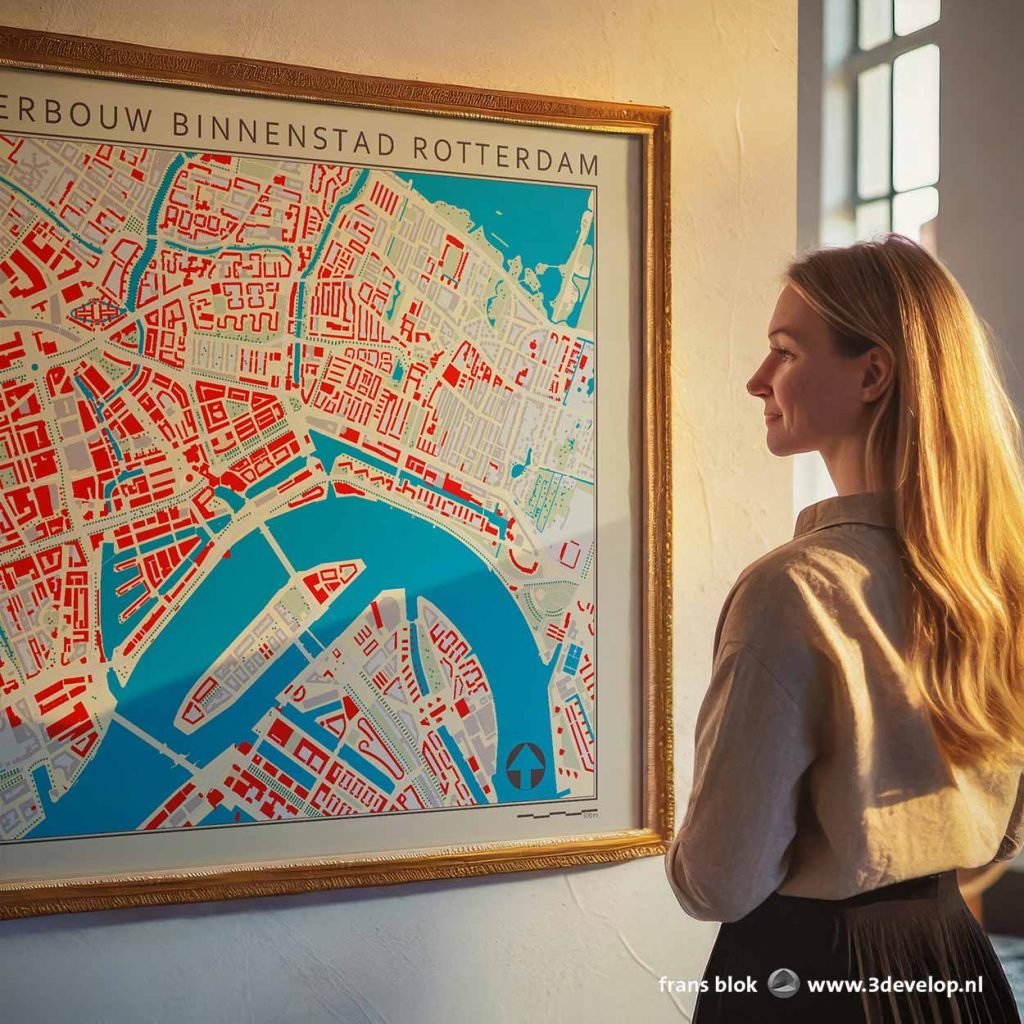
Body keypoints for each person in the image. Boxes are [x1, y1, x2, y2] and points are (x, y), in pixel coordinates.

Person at [665, 234, 1024, 1023]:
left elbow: (721, 880)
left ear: (872, 373)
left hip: (805, 981)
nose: (758, 379)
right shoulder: (1001, 582)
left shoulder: (791, 591)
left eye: (785, 352)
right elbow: (1000, 840)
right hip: (958, 970)